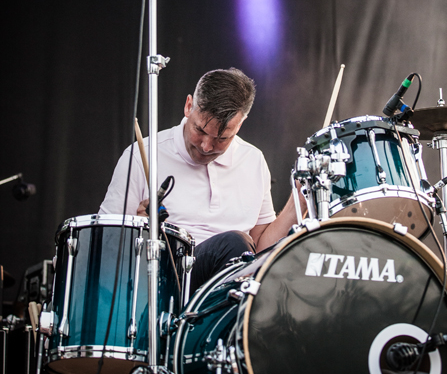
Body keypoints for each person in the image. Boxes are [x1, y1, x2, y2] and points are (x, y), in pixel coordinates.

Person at [99, 67, 305, 292]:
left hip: (235, 281)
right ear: (189, 106)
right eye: (200, 130)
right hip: (163, 283)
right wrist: (140, 231)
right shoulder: (143, 155)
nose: (206, 146)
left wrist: (299, 202)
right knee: (234, 244)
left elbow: (262, 248)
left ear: (240, 125)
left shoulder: (253, 160)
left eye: (221, 138)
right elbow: (108, 242)